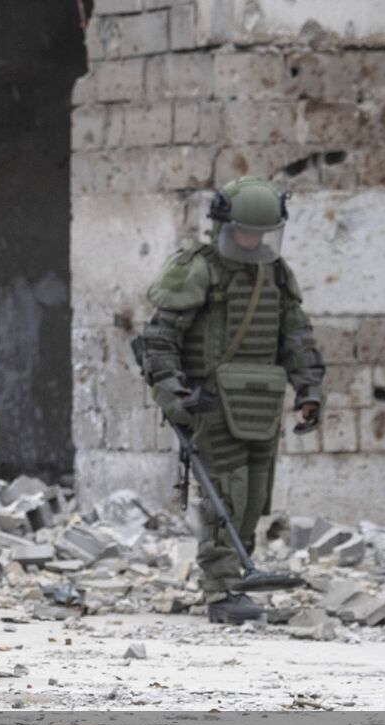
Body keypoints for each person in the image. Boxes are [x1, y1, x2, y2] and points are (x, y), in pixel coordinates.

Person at [139, 176, 325, 624]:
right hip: (211, 401)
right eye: (245, 232)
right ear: (224, 225)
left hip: (261, 401)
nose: (253, 241)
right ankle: (221, 588)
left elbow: (296, 336)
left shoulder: (275, 273)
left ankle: (242, 578)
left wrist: (309, 390)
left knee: (255, 494)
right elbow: (160, 340)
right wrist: (173, 395)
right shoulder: (198, 267)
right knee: (226, 494)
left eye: (262, 234)